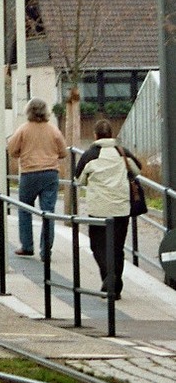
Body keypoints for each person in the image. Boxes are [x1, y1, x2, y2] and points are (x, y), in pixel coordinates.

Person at [74, 119, 139, 300]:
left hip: (99, 209)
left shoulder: (90, 155)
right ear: (111, 134)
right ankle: (115, 287)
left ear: (95, 135)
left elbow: (79, 179)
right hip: (121, 208)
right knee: (117, 247)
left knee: (98, 246)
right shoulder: (122, 152)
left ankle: (108, 278)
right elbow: (137, 169)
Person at [7, 97, 68, 260]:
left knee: (25, 209)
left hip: (29, 173)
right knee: (48, 212)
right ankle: (46, 250)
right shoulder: (53, 130)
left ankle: (27, 246)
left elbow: (12, 150)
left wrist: (23, 154)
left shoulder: (23, 130)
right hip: (50, 173)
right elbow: (63, 152)